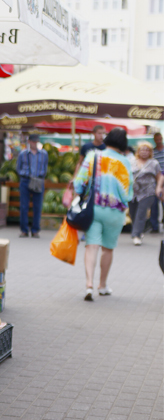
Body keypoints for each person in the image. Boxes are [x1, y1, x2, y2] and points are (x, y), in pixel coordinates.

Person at [73, 128, 133, 301]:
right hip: (115, 211)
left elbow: (79, 183)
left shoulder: (93, 156)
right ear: (123, 144)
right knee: (108, 248)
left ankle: (89, 284)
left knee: (91, 245)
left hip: (94, 208)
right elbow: (128, 191)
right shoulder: (125, 162)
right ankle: (103, 285)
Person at [129, 142, 161, 246]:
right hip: (133, 192)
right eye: (142, 149)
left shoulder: (154, 163)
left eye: (147, 150)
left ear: (150, 152)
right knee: (133, 213)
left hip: (148, 192)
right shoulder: (131, 161)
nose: (144, 152)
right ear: (138, 151)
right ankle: (139, 231)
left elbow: (160, 176)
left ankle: (136, 235)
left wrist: (159, 187)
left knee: (141, 213)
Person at [16, 134, 48, 238]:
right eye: (33, 141)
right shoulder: (23, 154)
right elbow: (18, 167)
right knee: (24, 206)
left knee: (37, 207)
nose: (35, 143)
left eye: (36, 141)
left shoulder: (44, 154)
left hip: (38, 180)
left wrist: (42, 176)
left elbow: (45, 167)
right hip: (26, 180)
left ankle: (35, 230)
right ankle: (24, 230)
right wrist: (23, 174)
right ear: (29, 142)